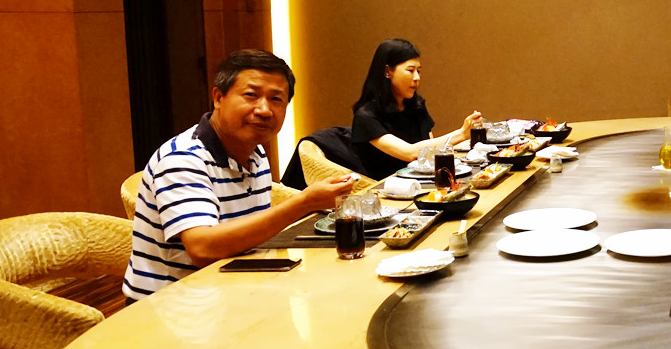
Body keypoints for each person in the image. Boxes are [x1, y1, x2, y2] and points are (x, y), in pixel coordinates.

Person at [124, 49, 354, 300]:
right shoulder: (183, 158)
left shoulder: (256, 153)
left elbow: (248, 239)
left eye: (276, 99)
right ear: (218, 97)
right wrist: (304, 203)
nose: (264, 110)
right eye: (251, 95)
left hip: (232, 289)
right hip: (171, 305)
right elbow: (203, 248)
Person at [349, 38, 482, 181]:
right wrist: (461, 134)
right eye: (410, 70)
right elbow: (409, 153)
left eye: (418, 71)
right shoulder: (366, 116)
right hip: (388, 187)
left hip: (423, 181)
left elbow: (430, 150)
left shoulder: (416, 106)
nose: (417, 77)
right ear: (387, 71)